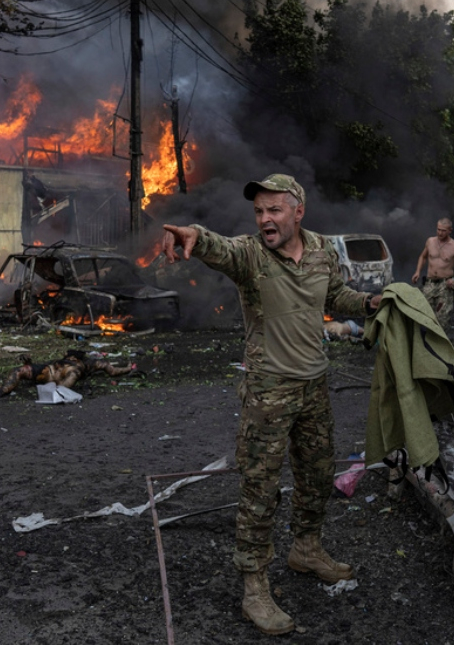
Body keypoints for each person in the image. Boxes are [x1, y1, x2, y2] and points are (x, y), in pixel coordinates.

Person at [161, 173, 381, 636]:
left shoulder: (321, 248)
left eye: (274, 210)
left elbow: (335, 295)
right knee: (260, 490)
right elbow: (216, 246)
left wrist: (371, 303)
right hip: (268, 391)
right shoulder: (249, 255)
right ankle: (255, 586)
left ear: (298, 211)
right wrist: (192, 237)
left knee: (318, 476)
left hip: (314, 387)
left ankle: (306, 549)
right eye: (259, 211)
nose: (265, 219)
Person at [0, 350, 136, 398]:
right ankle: (3, 390)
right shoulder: (68, 363)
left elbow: (112, 370)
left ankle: (4, 389)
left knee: (71, 374)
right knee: (20, 370)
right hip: (47, 371)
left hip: (55, 377)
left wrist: (128, 368)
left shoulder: (82, 366)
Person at [410, 217, 454, 324]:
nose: (440, 233)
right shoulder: (430, 241)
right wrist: (418, 271)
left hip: (445, 284)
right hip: (429, 283)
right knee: (424, 314)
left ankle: (439, 339)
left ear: (450, 231)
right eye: (438, 229)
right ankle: (425, 339)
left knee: (441, 317)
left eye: (443, 230)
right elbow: (423, 257)